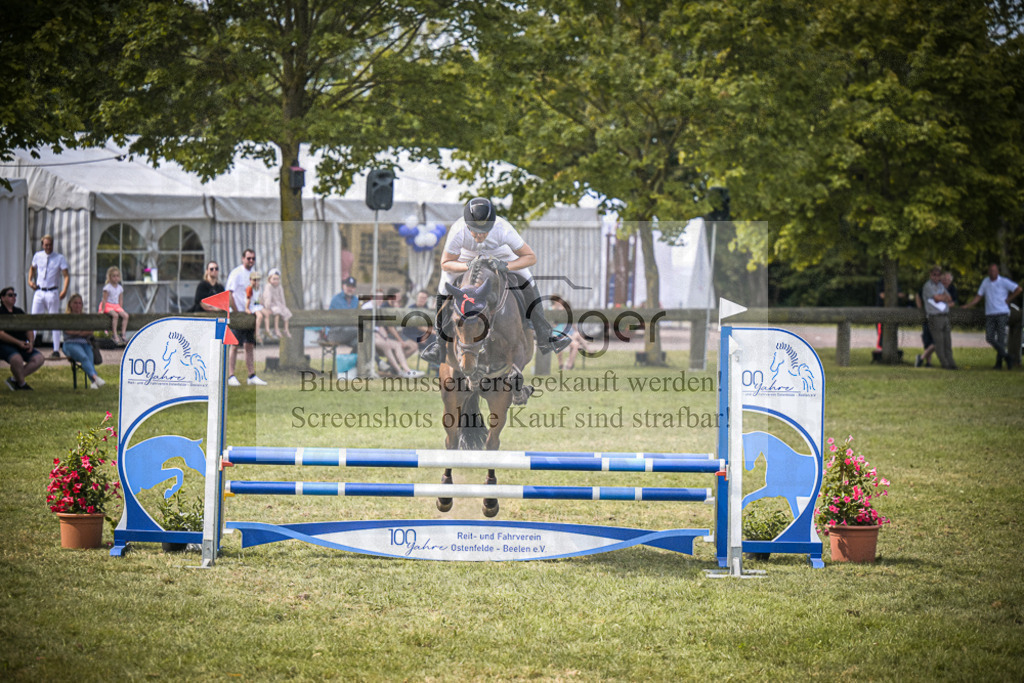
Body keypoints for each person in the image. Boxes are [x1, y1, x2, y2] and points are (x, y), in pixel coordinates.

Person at [419, 197, 571, 364]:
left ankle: (544, 335)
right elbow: (445, 263)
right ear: (467, 225)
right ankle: (438, 344)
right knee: (443, 288)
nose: (480, 235)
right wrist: (467, 265)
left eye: (485, 230)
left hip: (500, 254)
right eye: (475, 230)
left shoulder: (503, 229)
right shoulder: (458, 231)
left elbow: (530, 257)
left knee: (528, 279)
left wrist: (505, 265)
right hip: (466, 256)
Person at [964, 264, 1023, 370]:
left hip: (1002, 313)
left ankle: (999, 364)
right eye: (990, 271)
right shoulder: (985, 282)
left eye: (994, 271)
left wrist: (1009, 299)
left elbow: (1018, 289)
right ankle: (1008, 356)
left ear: (998, 272)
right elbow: (979, 296)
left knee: (1001, 338)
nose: (992, 273)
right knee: (989, 337)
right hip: (990, 314)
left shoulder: (1003, 281)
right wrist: (968, 305)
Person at [225, 249, 266, 386]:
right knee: (234, 345)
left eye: (253, 259)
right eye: (248, 258)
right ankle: (231, 375)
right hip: (237, 314)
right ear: (243, 258)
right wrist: (236, 311)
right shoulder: (236, 273)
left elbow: (256, 295)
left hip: (249, 314)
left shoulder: (253, 275)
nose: (251, 261)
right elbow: (229, 294)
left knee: (249, 345)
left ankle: (251, 375)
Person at [361, 293, 424, 378]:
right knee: (387, 345)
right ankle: (398, 371)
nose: (380, 300)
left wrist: (385, 337)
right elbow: (367, 328)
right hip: (368, 337)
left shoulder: (378, 308)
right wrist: (381, 337)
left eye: (381, 298)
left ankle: (407, 371)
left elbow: (380, 326)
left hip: (378, 337)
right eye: (378, 298)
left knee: (397, 345)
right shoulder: (367, 308)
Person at [28, 234, 69, 358]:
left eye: (50, 244)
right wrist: (30, 281)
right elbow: (32, 268)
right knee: (34, 319)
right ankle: (29, 345)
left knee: (54, 320)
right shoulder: (38, 256)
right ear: (42, 245)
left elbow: (65, 275)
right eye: (46, 245)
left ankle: (56, 349)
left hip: (52, 291)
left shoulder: (59, 258)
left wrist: (64, 290)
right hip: (39, 291)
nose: (48, 247)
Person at [0, 286, 45, 390]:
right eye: (10, 295)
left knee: (39, 358)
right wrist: (18, 342)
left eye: (14, 295)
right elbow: (1, 334)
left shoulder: (19, 311)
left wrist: (31, 342)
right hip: (5, 345)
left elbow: (28, 328)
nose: (13, 297)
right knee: (17, 359)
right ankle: (22, 384)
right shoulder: (1, 312)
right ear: (2, 298)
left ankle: (14, 380)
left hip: (22, 344)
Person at [62, 294, 106, 389]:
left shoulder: (85, 316)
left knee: (89, 359)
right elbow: (68, 331)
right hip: (70, 344)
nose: (78, 305)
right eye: (75, 303)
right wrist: (81, 332)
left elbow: (90, 331)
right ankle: (95, 378)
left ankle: (93, 383)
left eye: (80, 303)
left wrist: (76, 332)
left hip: (85, 343)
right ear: (70, 304)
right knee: (84, 357)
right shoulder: (66, 317)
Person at [921, 266, 956, 370]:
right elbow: (936, 298)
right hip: (934, 317)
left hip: (944, 316)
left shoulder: (941, 285)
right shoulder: (928, 286)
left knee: (947, 342)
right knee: (939, 343)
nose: (936, 277)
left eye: (938, 275)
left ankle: (951, 363)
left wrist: (942, 297)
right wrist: (942, 297)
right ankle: (945, 364)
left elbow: (949, 298)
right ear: (930, 275)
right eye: (934, 274)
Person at [549, 295, 590, 370]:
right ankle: (563, 365)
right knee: (573, 343)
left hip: (563, 334)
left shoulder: (561, 310)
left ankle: (569, 365)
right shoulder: (550, 310)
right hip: (556, 334)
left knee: (576, 344)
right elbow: (552, 325)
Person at [325, 276, 361, 348]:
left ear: (355, 289)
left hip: (350, 333)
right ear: (343, 286)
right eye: (348, 286)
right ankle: (378, 359)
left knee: (362, 341)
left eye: (352, 287)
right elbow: (334, 320)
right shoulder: (336, 299)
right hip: (335, 332)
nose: (350, 289)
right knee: (363, 332)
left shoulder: (356, 300)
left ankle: (355, 359)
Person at [99, 266, 130, 345]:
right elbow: (104, 300)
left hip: (116, 306)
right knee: (115, 315)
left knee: (126, 316)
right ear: (110, 277)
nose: (116, 278)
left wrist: (120, 309)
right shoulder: (107, 288)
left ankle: (123, 334)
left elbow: (120, 300)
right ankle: (114, 334)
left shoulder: (120, 288)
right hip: (108, 305)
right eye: (114, 276)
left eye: (117, 276)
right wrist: (102, 310)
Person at [262, 268, 293, 339]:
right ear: (269, 279)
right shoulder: (268, 287)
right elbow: (267, 298)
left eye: (277, 279)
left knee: (286, 312)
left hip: (278, 304)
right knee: (277, 311)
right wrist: (268, 307)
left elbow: (282, 297)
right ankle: (276, 329)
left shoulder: (279, 287)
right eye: (274, 279)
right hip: (271, 305)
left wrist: (284, 306)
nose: (276, 281)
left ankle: (286, 329)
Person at [245, 270, 267, 344]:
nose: (256, 282)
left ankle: (266, 330)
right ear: (250, 280)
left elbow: (259, 298)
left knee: (267, 313)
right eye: (254, 280)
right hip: (252, 306)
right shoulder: (250, 288)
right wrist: (247, 308)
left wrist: (263, 304)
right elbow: (248, 299)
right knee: (260, 316)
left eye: (257, 280)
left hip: (258, 305)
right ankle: (257, 333)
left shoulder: (258, 288)